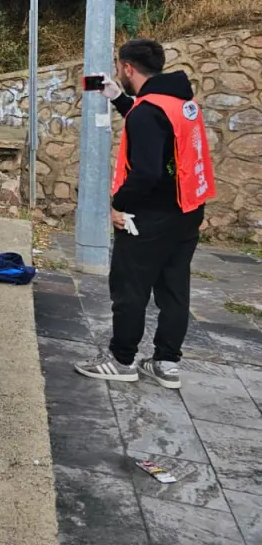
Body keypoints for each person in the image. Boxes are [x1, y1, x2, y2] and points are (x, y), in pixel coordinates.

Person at [75, 39, 216, 389]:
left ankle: (122, 360)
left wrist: (119, 205)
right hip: (187, 210)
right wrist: (119, 100)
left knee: (129, 288)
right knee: (173, 289)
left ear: (127, 68)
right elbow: (157, 127)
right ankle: (166, 363)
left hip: (149, 217)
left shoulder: (147, 113)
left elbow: (147, 171)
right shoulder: (182, 102)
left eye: (119, 68)